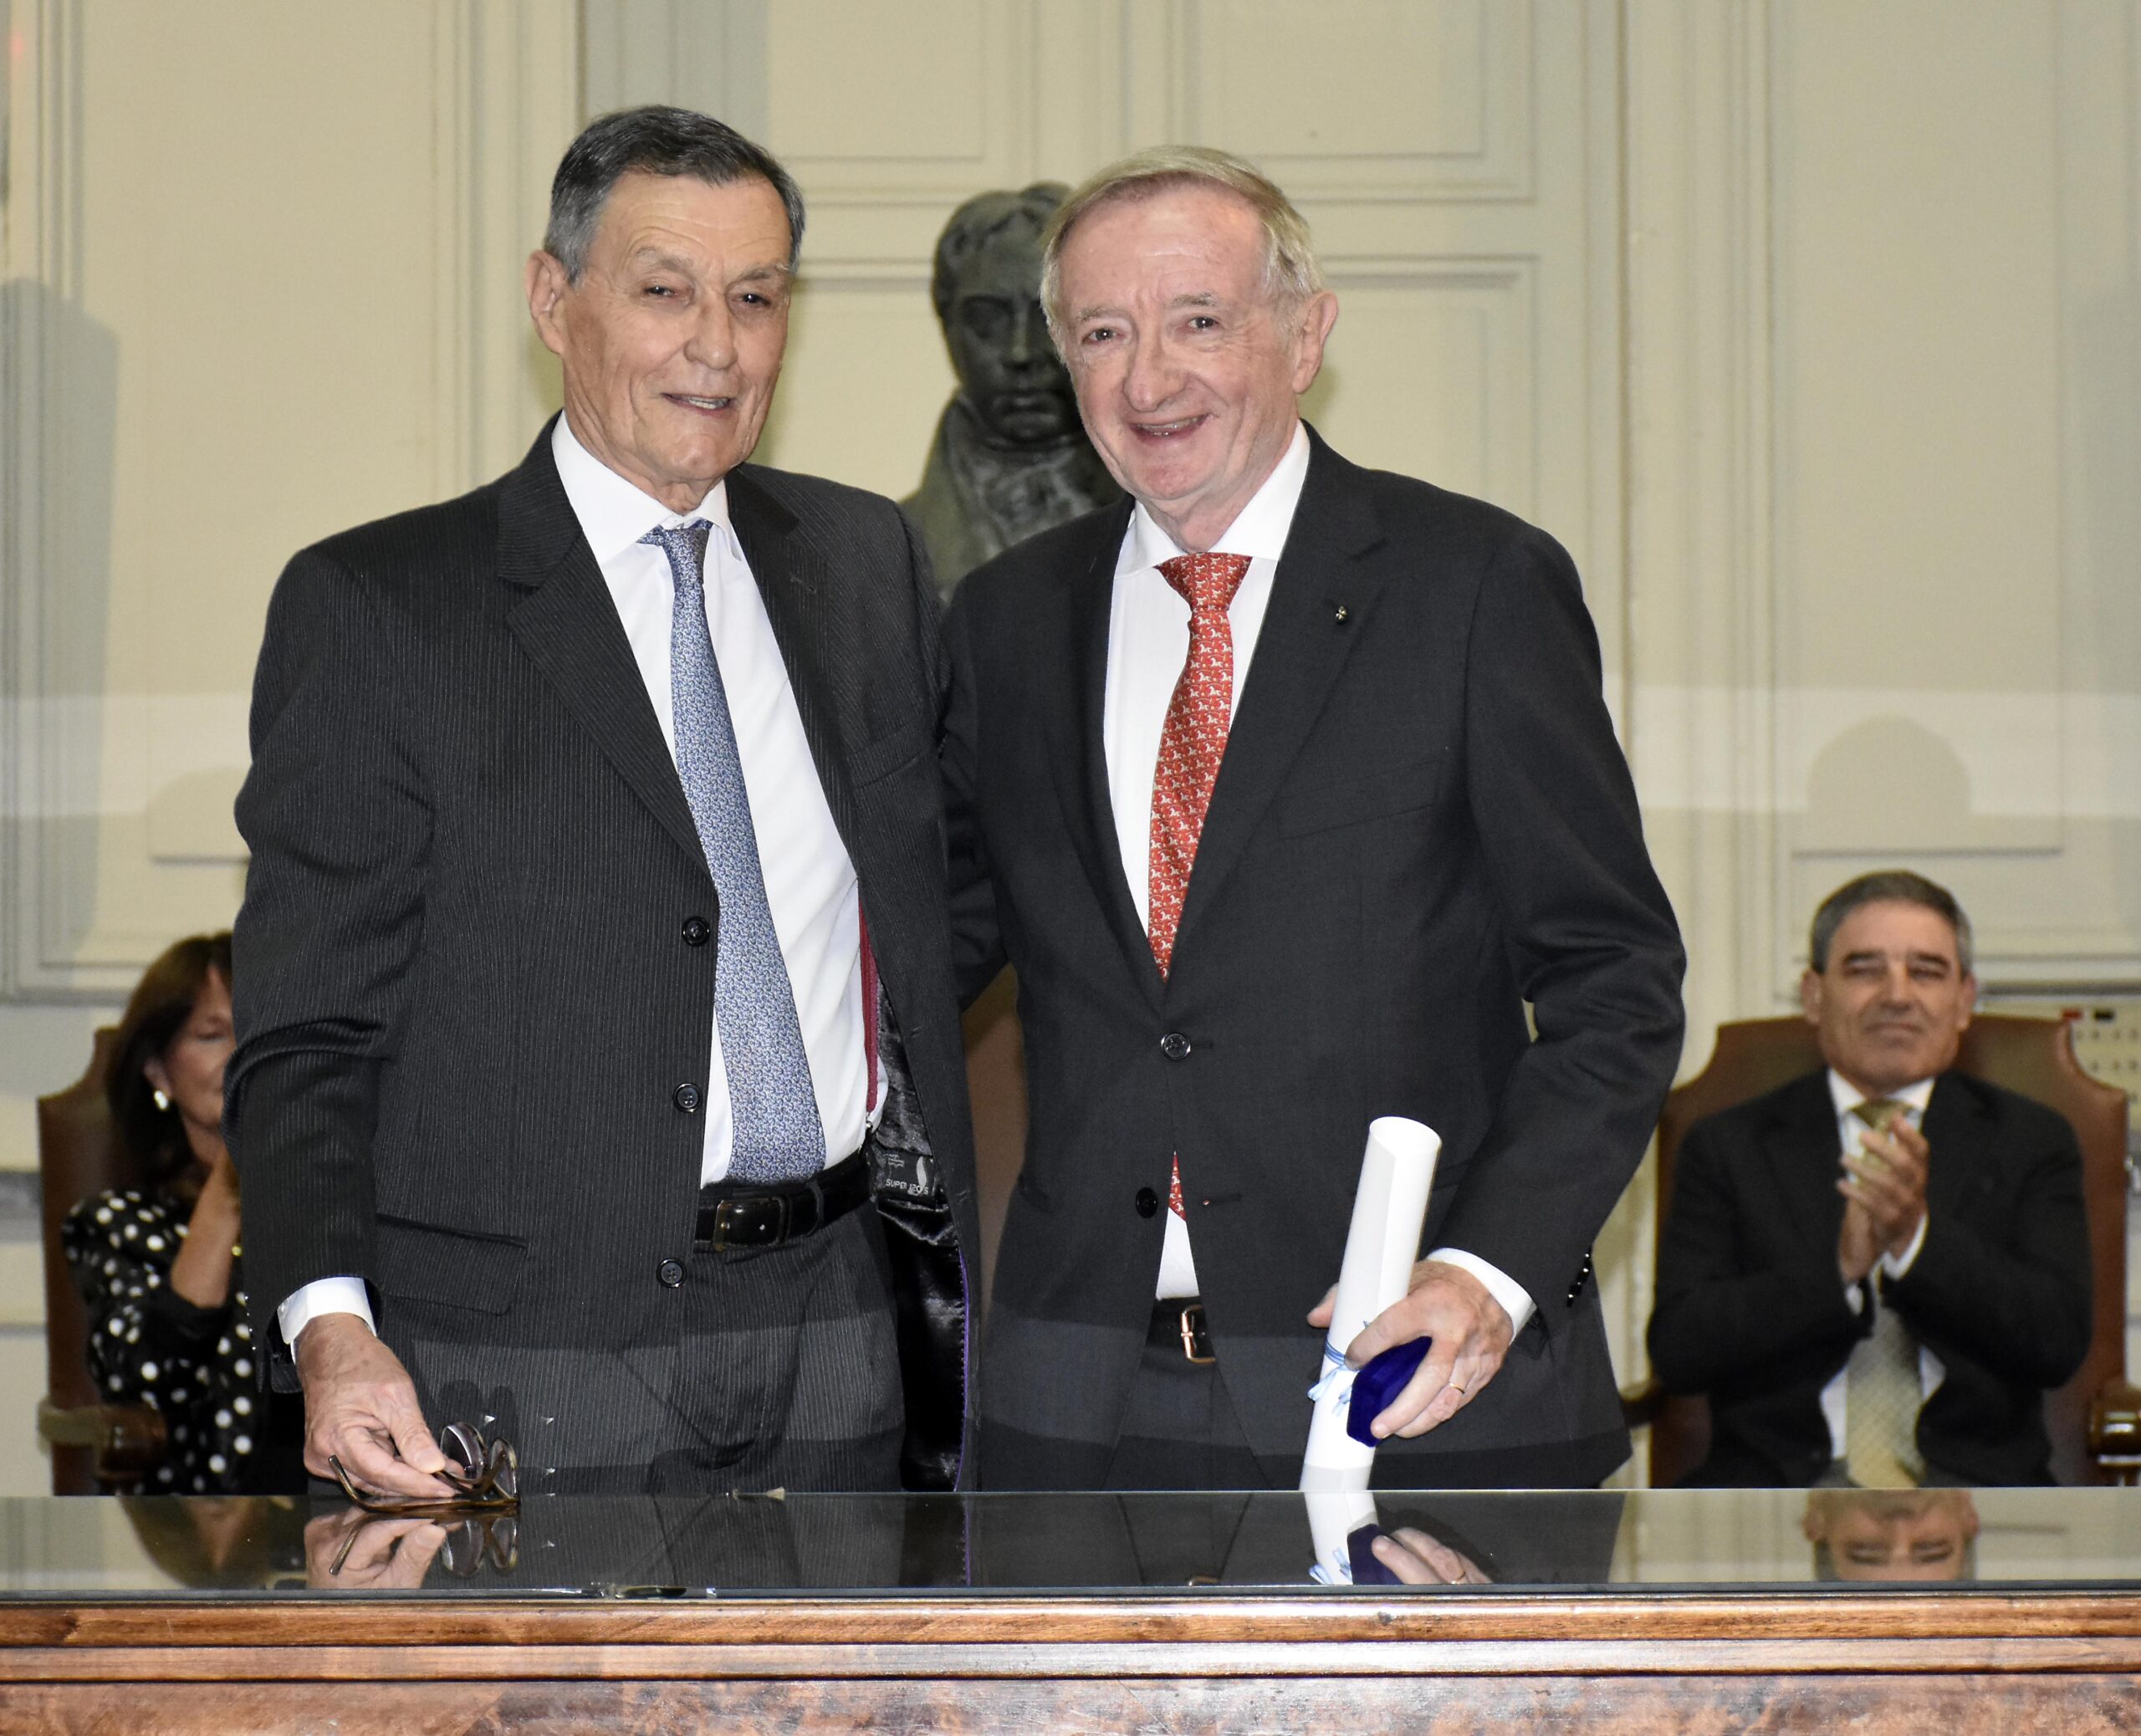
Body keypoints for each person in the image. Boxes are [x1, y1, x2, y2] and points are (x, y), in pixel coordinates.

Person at [227, 105, 979, 1501]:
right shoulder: (382, 607)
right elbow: (308, 1028)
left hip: (835, 1322)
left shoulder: (865, 563)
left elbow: (944, 897)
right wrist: (331, 1331)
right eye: (665, 291)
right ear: (551, 298)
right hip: (523, 1347)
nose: (718, 346)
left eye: (755, 298)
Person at [942, 146, 1685, 1490]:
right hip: (1079, 1408)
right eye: (1103, 333)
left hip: (1414, 1381)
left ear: (1305, 333)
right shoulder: (1004, 623)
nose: (1148, 380)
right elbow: (909, 955)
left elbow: (1615, 983)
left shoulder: (1474, 587)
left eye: (1198, 321)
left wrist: (1490, 1270)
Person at [1649, 871, 2091, 1487]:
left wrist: (1916, 1242)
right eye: (1865, 970)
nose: (1897, 995)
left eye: (1926, 972)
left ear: (1965, 1000)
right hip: (1778, 1491)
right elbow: (1680, 1350)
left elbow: (2057, 1342)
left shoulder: (2031, 1139)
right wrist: (1838, 1269)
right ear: (1813, 995)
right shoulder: (1730, 1144)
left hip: (1974, 1491)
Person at [61, 934, 306, 1493]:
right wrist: (231, 1182)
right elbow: (145, 1384)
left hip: (349, 1498)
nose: (243, 1055)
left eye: (258, 1031)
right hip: (209, 1519)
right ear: (158, 1072)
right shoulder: (117, 1224)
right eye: (212, 1035)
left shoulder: (332, 1205)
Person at [902, 183, 1118, 601]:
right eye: (987, 319)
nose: (1020, 351)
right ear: (948, 327)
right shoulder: (883, 551)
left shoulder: (1177, 530)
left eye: (1049, 318)